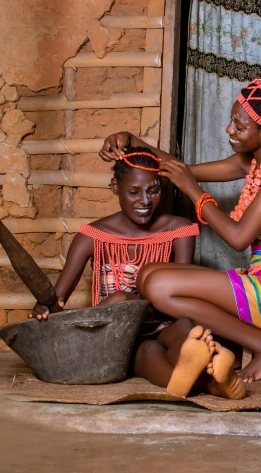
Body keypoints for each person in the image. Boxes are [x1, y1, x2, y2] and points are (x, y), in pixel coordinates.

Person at [100, 78, 261, 383]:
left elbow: (238, 238)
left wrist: (194, 192)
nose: (229, 130)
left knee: (159, 285)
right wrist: (132, 141)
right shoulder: (253, 163)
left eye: (239, 126)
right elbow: (179, 169)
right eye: (232, 120)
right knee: (148, 276)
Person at [28, 147, 242, 398]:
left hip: (164, 323)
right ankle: (209, 382)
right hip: (117, 336)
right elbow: (56, 300)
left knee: (185, 327)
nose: (145, 200)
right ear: (114, 187)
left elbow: (183, 289)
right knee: (144, 347)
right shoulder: (91, 236)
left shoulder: (179, 229)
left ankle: (203, 370)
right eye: (133, 191)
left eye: (154, 190)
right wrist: (44, 308)